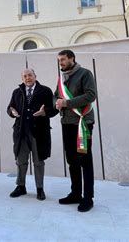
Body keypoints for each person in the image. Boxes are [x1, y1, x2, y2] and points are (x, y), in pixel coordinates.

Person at [54, 49, 96, 212]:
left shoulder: (85, 74)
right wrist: (56, 102)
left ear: (72, 59)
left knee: (85, 161)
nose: (61, 63)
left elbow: (91, 95)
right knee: (72, 160)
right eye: (59, 60)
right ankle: (76, 193)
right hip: (66, 123)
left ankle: (88, 198)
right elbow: (55, 95)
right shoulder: (61, 78)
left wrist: (67, 104)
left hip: (82, 122)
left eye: (63, 60)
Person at [7, 68, 58, 201]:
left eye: (30, 75)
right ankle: (20, 186)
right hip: (21, 133)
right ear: (22, 78)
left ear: (35, 76)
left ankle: (40, 189)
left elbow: (55, 109)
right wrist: (11, 112)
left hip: (39, 133)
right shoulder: (17, 92)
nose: (27, 78)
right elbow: (10, 107)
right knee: (21, 162)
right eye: (24, 76)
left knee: (38, 162)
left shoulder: (45, 91)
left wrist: (45, 112)